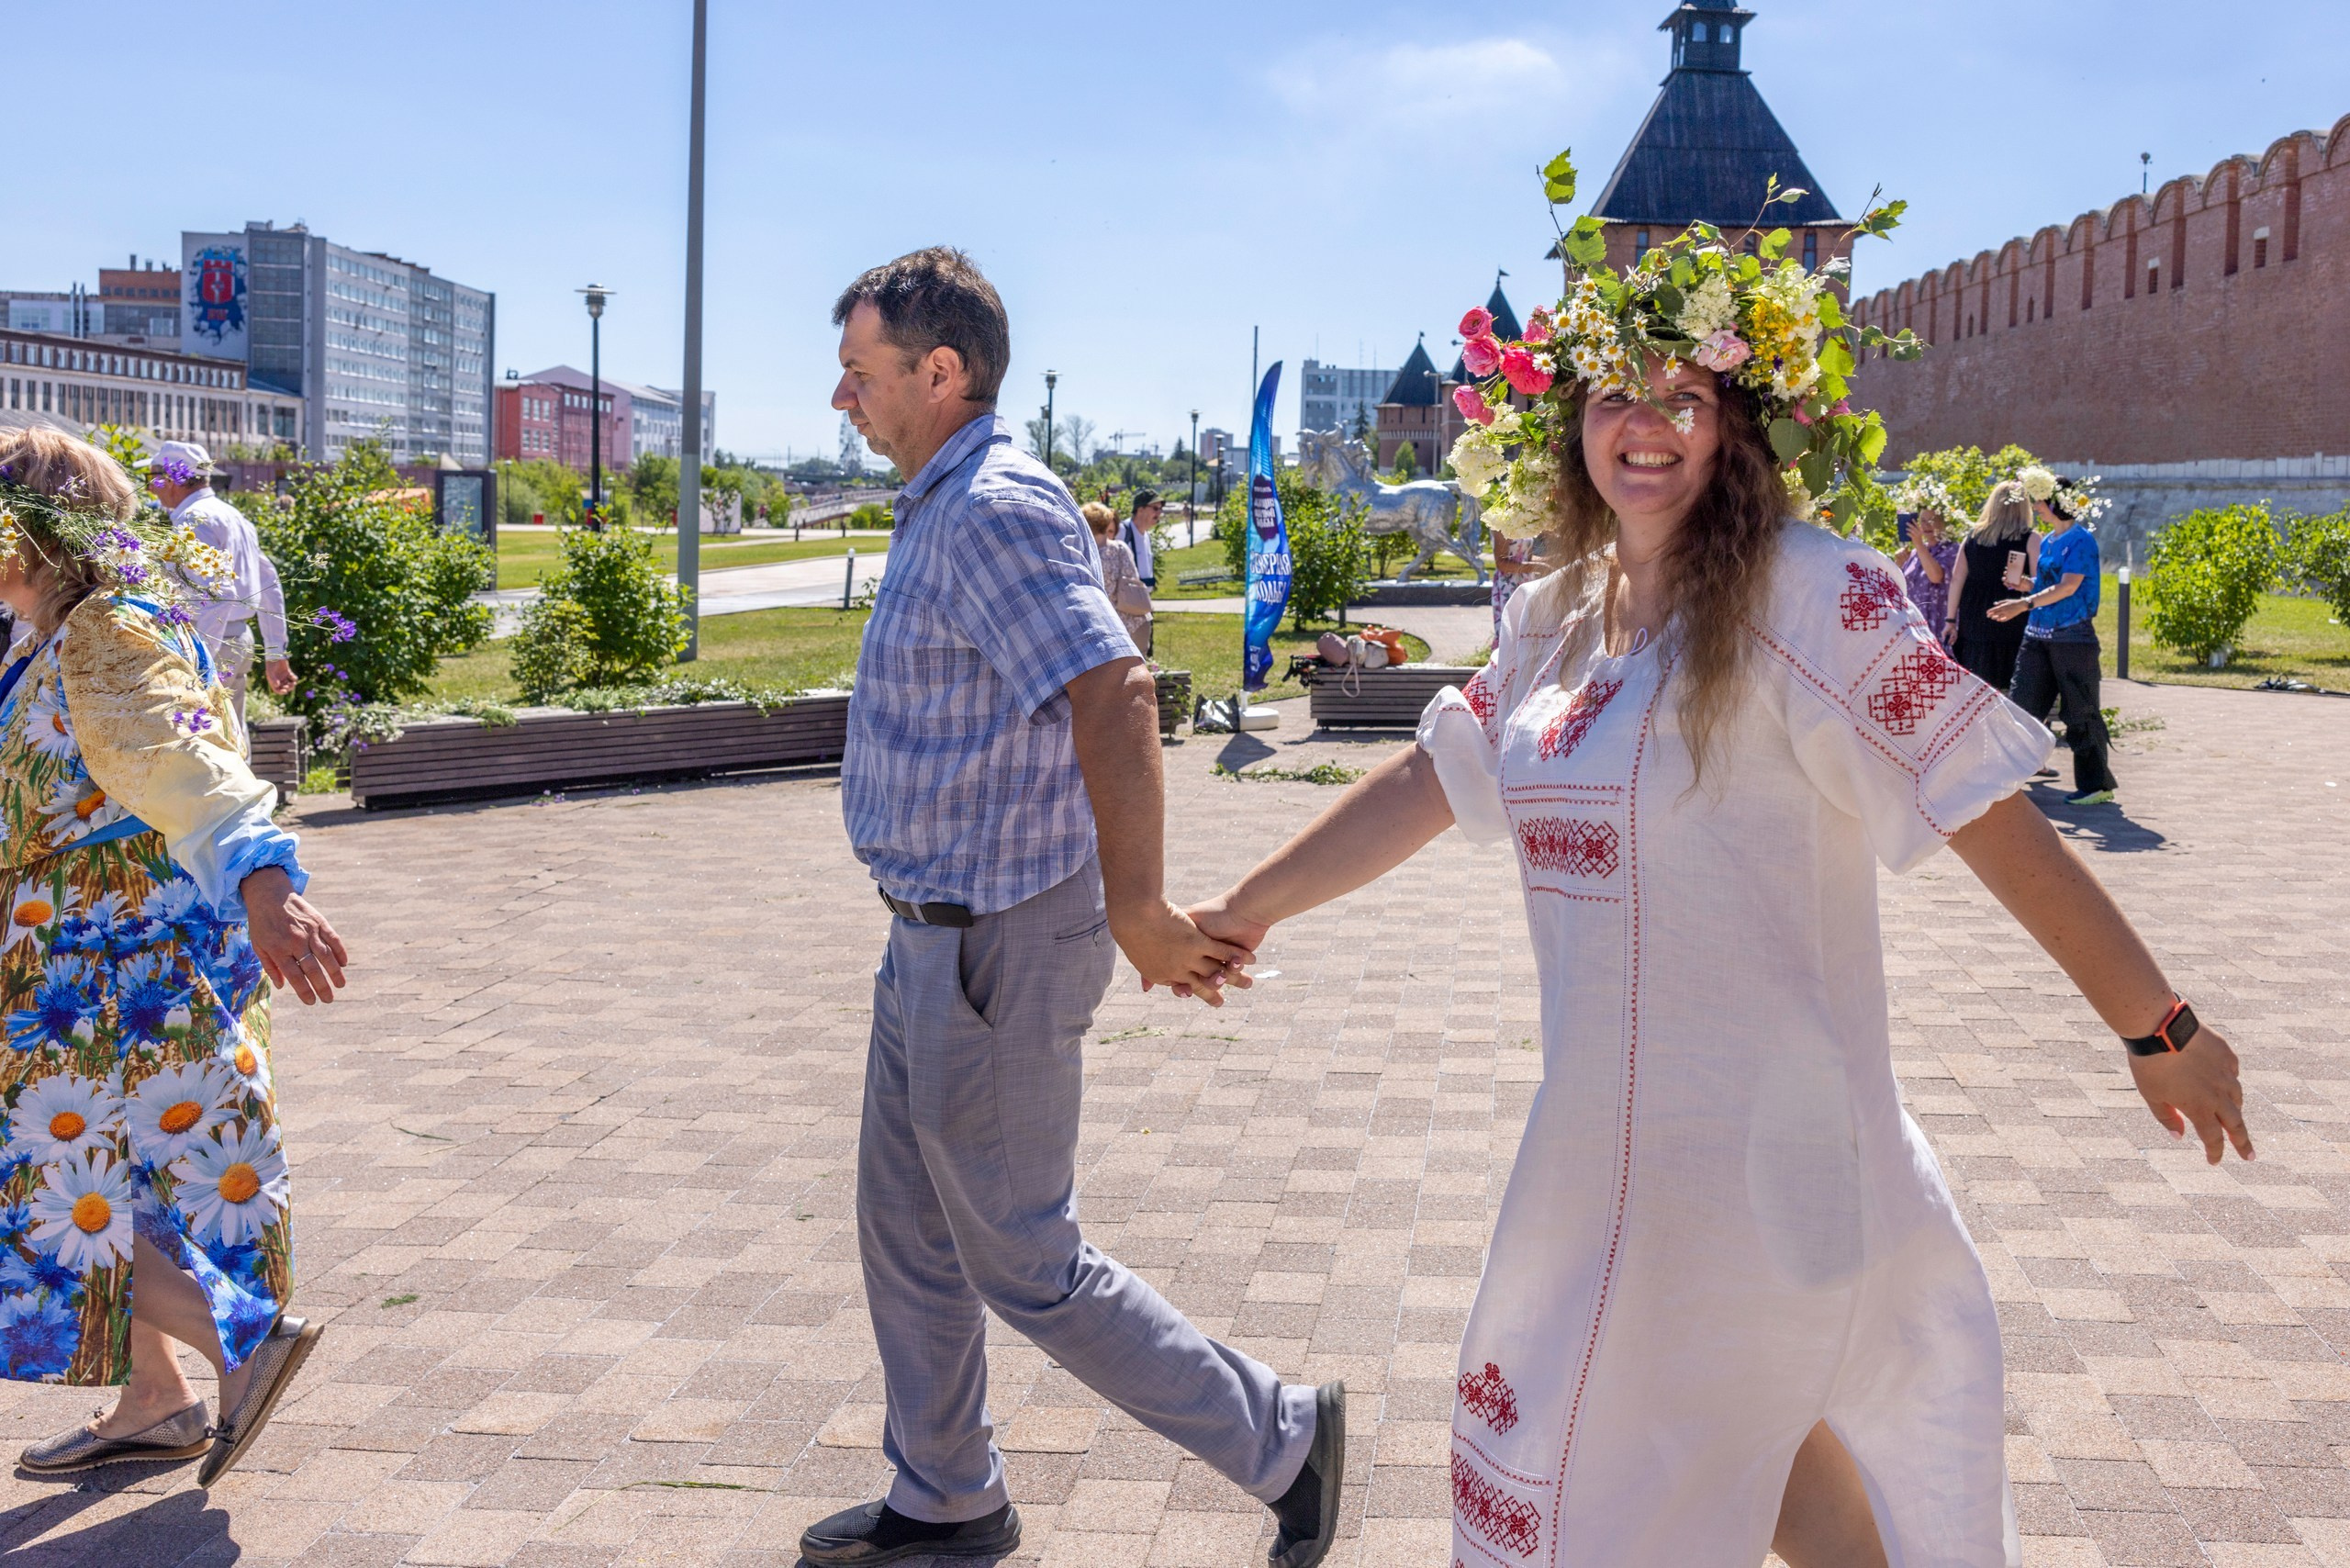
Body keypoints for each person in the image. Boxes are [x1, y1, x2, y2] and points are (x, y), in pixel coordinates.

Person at [1189, 201, 2251, 1567]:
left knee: (1619, 1483)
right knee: (1763, 1459)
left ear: (1740, 427)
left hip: (1769, 1174)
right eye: (1616, 393)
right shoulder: (1558, 616)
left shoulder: (1810, 598)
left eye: (1684, 394)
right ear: (1564, 422)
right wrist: (1244, 909)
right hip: (1611, 1165)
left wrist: (2156, 1028)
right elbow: (1428, 778)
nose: (1645, 422)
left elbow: (1984, 814)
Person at [810, 247, 1342, 1568]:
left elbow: (1116, 693)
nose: (842, 401)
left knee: (1024, 1259)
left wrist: (1141, 907)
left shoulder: (992, 502)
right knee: (908, 1228)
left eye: (862, 373)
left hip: (992, 940)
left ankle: (1283, 1438)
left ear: (942, 373)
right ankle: (946, 1494)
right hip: (933, 933)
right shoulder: (943, 499)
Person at [0, 427, 349, 1485]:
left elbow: (182, 756)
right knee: (108, 1181)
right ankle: (155, 1397)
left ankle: (243, 1341)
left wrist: (264, 877)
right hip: (88, 962)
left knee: (44, 1200)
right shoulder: (52, 633)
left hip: (104, 970)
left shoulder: (104, 632)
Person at [147, 442, 293, 740]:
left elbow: (218, 595)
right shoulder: (231, 515)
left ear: (171, 480)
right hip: (235, 638)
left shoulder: (194, 520)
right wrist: (275, 651)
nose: (150, 489)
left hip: (213, 641)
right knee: (231, 735)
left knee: (208, 741)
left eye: (152, 478)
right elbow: (268, 580)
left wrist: (200, 663)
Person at [1992, 475, 2116, 806]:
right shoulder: (2047, 542)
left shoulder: (2081, 541)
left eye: (2040, 500)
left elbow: (2068, 587)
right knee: (2022, 707)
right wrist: (2024, 587)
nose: (2035, 507)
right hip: (2037, 636)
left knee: (2080, 711)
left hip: (2073, 638)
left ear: (2054, 503)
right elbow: (2046, 584)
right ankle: (2008, 779)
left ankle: (2096, 786)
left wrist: (2024, 603)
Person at [1942, 479, 2035, 692]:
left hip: (1974, 616)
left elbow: (1957, 579)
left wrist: (1950, 620)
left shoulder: (1973, 537)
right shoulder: (2030, 538)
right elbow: (2040, 581)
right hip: (2012, 614)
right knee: (2010, 683)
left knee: (1977, 683)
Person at [1081, 499, 1154, 654]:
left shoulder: (1082, 554)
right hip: (1129, 623)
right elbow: (1133, 580)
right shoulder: (1119, 548)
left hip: (1098, 626)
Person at [1896, 504, 1958, 643]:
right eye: (1923, 520)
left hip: (1939, 626)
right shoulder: (1913, 554)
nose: (1927, 525)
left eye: (1933, 520)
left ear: (1943, 522)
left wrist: (1918, 544)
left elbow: (1936, 577)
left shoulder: (1953, 550)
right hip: (1914, 627)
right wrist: (1898, 565)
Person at [1119, 488, 1161, 589]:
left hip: (1142, 600)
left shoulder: (1146, 535)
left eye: (1160, 509)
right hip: (1125, 601)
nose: (1159, 513)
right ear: (1140, 509)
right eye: (1155, 508)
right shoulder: (1122, 531)